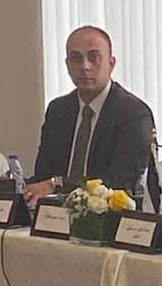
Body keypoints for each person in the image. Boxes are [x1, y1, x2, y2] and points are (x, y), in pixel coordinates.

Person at [25, 25, 154, 205]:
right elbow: (43, 175)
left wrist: (58, 185)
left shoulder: (134, 114)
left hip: (107, 214)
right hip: (53, 213)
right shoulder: (57, 110)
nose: (85, 66)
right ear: (67, 65)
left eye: (93, 57)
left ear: (111, 64)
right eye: (76, 58)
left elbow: (119, 182)